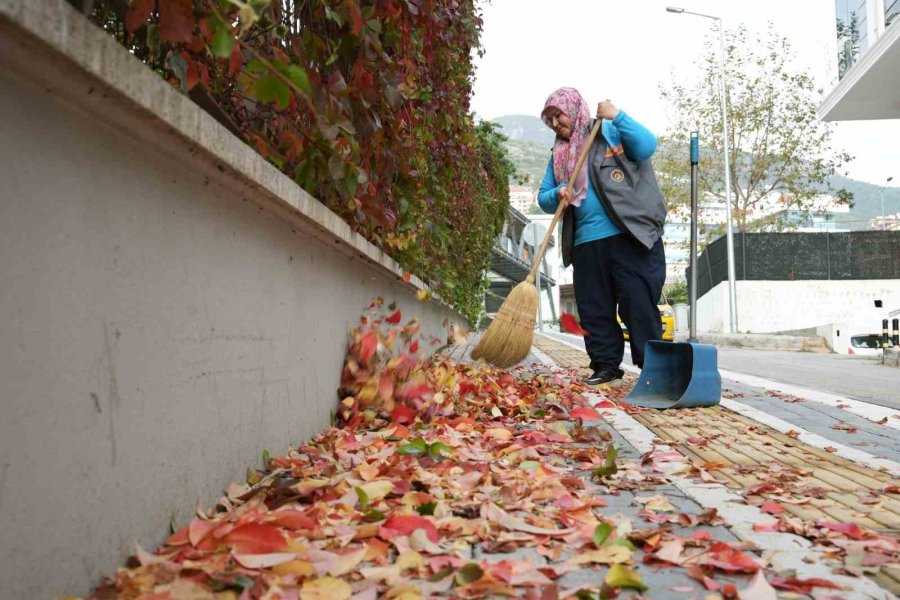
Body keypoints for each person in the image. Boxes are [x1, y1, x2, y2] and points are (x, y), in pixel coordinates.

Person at [537, 87, 667, 385]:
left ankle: (653, 368)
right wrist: (558, 192)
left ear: (574, 109)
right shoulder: (557, 156)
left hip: (629, 234)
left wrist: (617, 115)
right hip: (586, 242)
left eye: (559, 115)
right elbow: (543, 197)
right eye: (550, 120)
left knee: (638, 301)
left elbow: (647, 147)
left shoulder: (608, 131)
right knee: (594, 307)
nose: (556, 124)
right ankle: (605, 365)